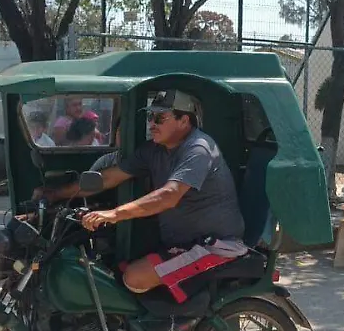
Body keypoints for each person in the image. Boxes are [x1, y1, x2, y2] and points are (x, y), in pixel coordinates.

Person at [71, 90, 247, 298]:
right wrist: (56, 194)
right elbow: (109, 177)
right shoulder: (155, 150)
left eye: (160, 118)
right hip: (182, 243)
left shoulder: (198, 148)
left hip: (214, 245)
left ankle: (173, 329)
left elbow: (169, 196)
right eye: (149, 117)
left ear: (184, 120)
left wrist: (113, 214)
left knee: (134, 277)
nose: (151, 124)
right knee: (112, 272)